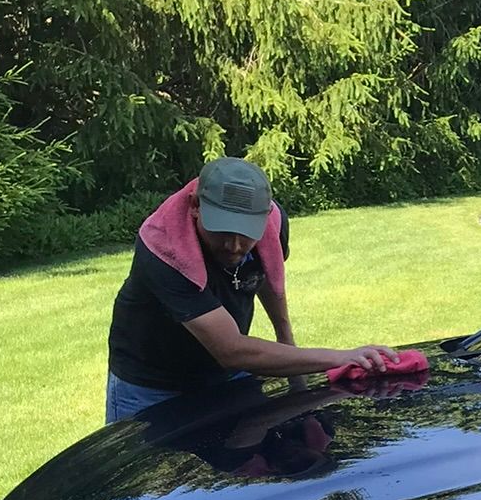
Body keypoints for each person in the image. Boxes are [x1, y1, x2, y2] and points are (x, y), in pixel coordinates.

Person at [105, 156, 396, 422]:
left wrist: (286, 340)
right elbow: (230, 350)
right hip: (149, 384)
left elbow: (268, 276)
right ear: (195, 206)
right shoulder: (163, 248)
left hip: (226, 375)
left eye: (246, 234)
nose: (234, 246)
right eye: (221, 230)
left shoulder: (273, 223)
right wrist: (338, 357)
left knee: (238, 471)